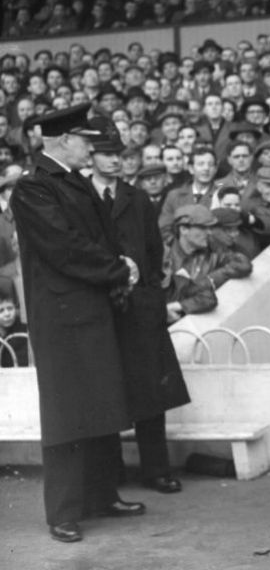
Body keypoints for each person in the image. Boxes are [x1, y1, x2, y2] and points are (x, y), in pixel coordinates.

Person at [10, 104, 145, 543]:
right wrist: (116, 268)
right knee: (67, 415)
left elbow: (96, 240)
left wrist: (119, 262)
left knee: (102, 405)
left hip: (90, 311)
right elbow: (64, 247)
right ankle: (63, 512)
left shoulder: (72, 184)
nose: (92, 146)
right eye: (85, 139)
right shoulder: (32, 190)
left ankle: (102, 495)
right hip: (63, 319)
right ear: (62, 140)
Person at [87, 116, 190, 495]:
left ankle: (156, 469)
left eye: (119, 154)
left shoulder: (137, 199)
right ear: (91, 156)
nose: (115, 161)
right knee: (106, 389)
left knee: (151, 392)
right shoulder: (81, 196)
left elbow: (153, 249)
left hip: (139, 306)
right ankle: (111, 470)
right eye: (106, 154)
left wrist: (148, 294)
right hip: (101, 306)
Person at [164, 204, 253, 323]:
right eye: (203, 228)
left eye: (210, 228)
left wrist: (209, 280)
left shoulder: (214, 250)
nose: (209, 232)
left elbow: (243, 264)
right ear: (184, 229)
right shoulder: (163, 253)